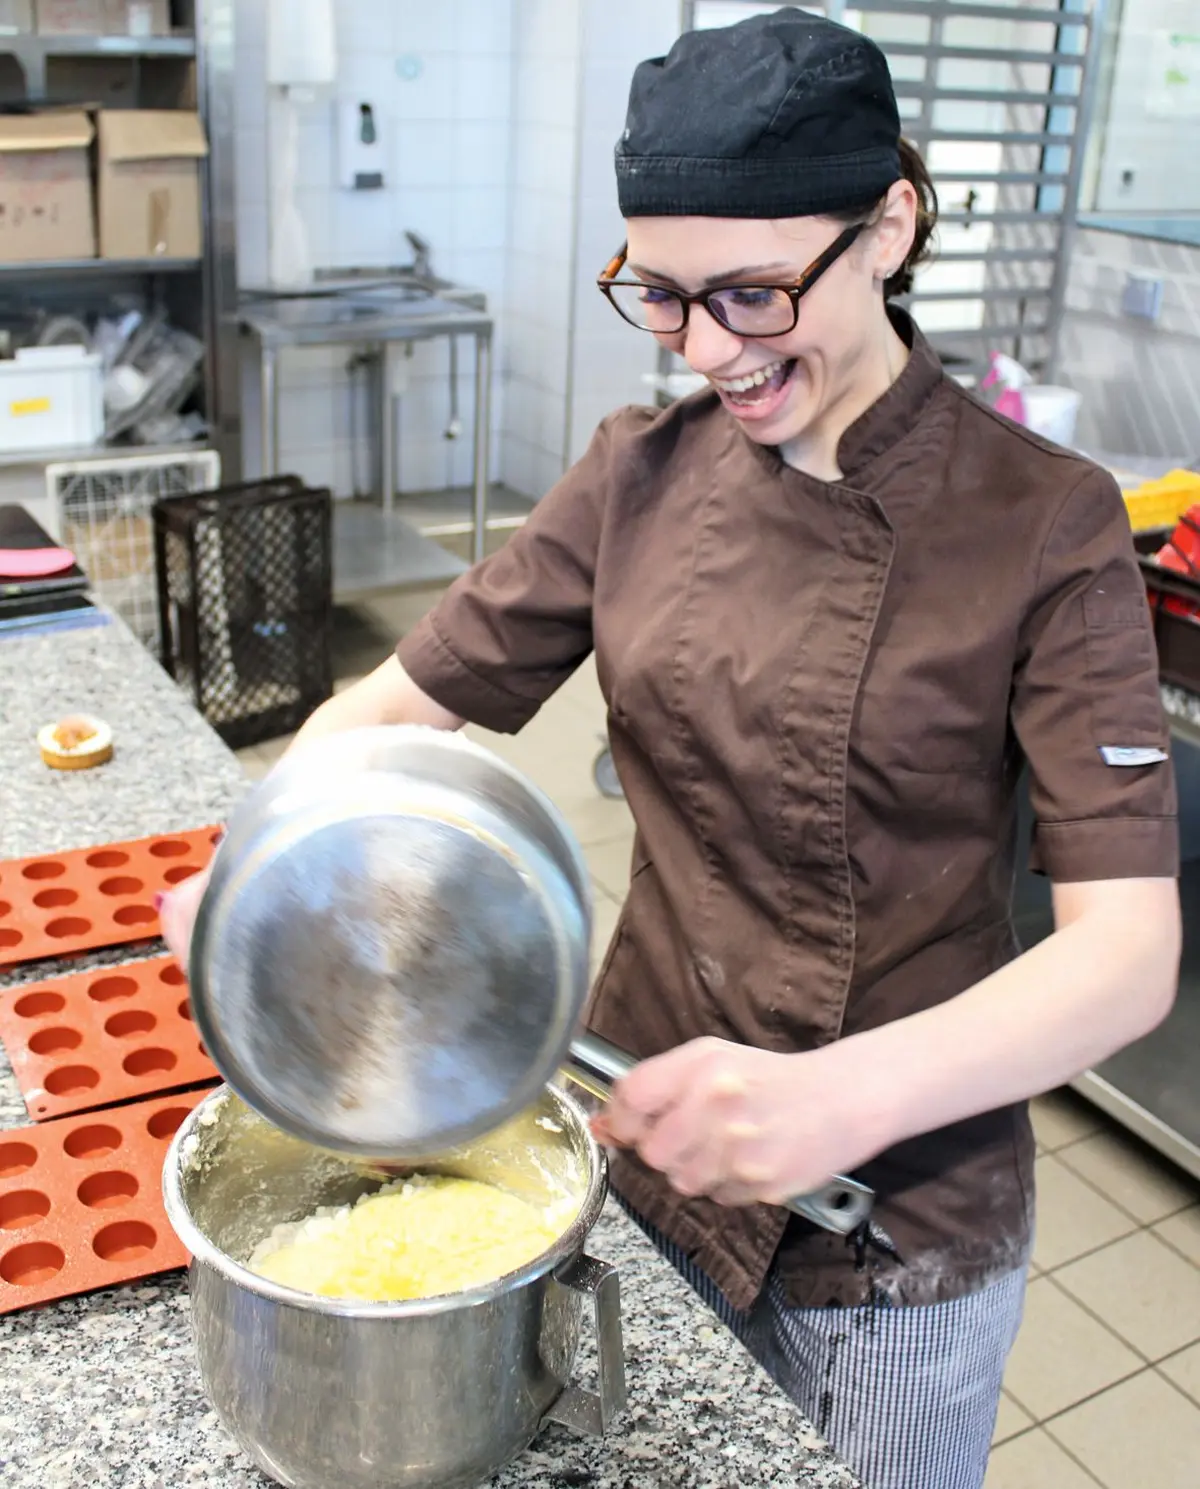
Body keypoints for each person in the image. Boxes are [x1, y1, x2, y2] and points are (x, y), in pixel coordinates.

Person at [163, 12, 1181, 1488]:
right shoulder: (637, 473)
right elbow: (394, 709)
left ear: (887, 227)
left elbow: (1125, 955)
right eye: (664, 293)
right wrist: (261, 868)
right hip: (641, 1135)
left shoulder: (1046, 520)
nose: (710, 350)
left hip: (887, 1224)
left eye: (756, 294)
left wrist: (836, 1098)